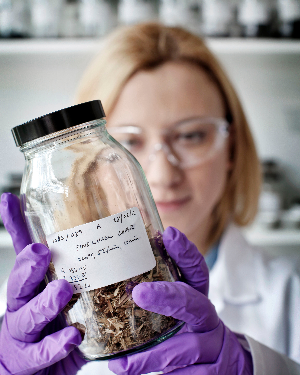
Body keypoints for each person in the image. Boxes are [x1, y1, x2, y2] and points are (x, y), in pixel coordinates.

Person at [0, 22, 300, 375]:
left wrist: (256, 368)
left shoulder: (290, 297)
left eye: (190, 136)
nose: (161, 175)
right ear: (81, 163)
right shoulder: (31, 321)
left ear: (231, 147)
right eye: (128, 142)